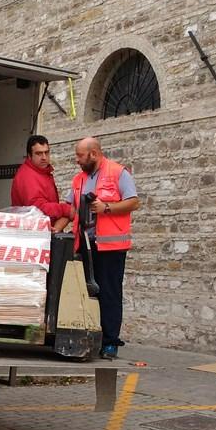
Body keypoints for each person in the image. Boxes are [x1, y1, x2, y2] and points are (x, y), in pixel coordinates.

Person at [72, 136, 140, 360]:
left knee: (109, 293)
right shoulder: (79, 179)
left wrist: (106, 207)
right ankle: (91, 337)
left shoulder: (118, 173)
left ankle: (110, 342)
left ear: (93, 153)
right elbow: (69, 207)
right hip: (86, 243)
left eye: (80, 156)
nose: (77, 160)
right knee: (86, 293)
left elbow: (133, 202)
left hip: (111, 246)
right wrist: (54, 227)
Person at [10, 134, 73, 233]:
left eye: (46, 153)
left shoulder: (41, 171)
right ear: (29, 156)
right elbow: (37, 208)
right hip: (33, 236)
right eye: (39, 153)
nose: (44, 157)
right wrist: (67, 210)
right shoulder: (27, 176)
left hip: (43, 232)